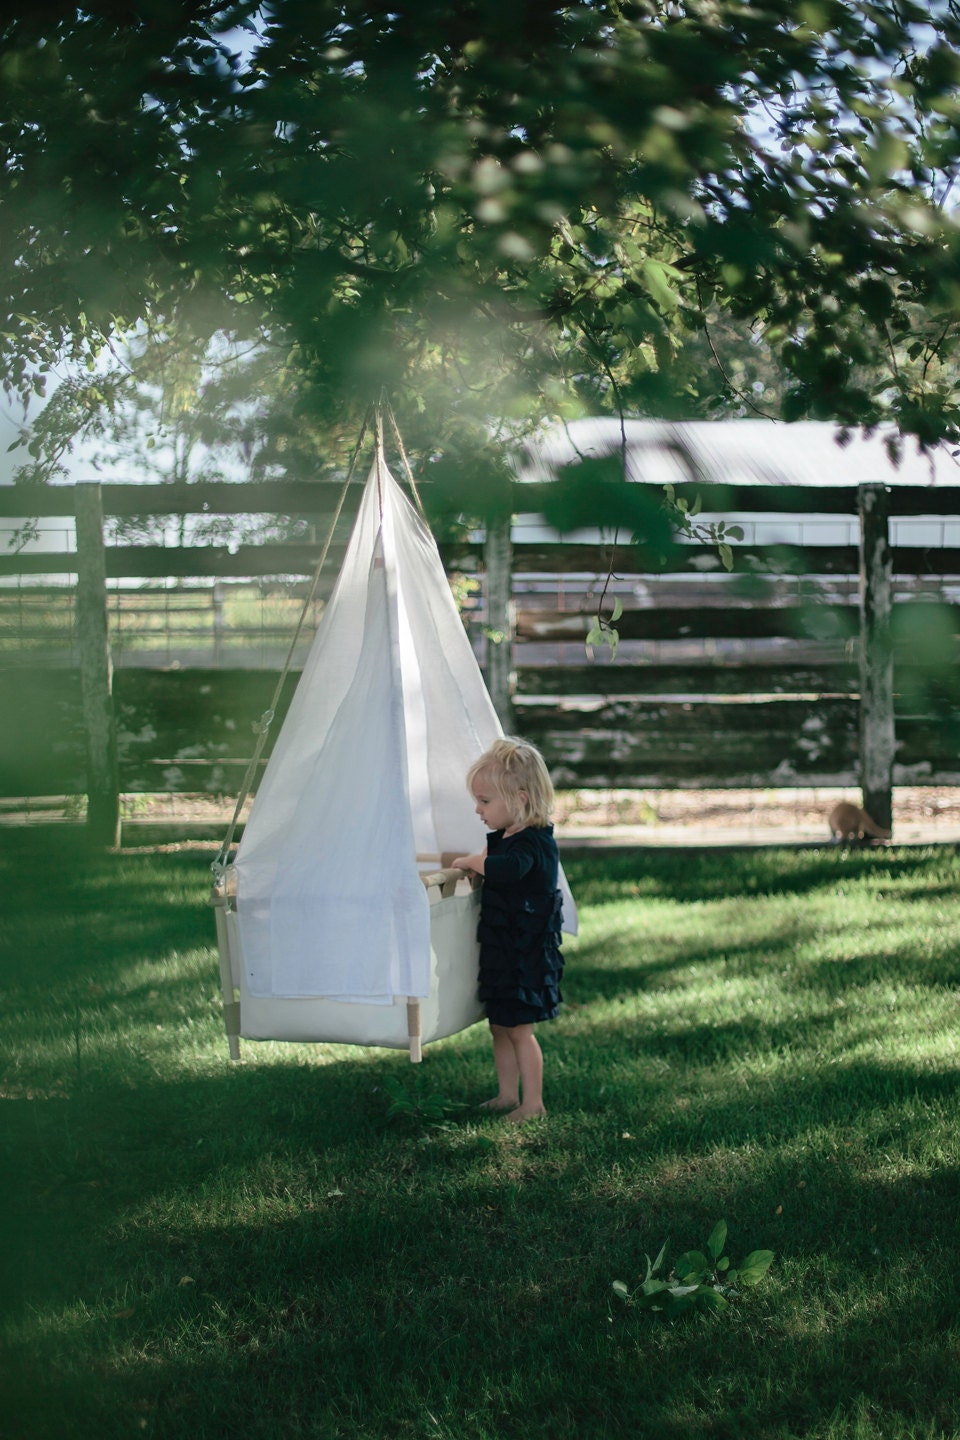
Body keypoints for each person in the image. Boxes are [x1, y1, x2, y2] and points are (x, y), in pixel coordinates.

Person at [451, 737, 563, 1123]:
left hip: (526, 955)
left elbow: (508, 869)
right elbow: (495, 860)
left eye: (485, 801)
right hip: (505, 949)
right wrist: (478, 858)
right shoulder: (506, 839)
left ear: (519, 799)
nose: (478, 809)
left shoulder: (533, 843)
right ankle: (505, 1094)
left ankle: (533, 1103)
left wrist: (471, 861)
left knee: (520, 1031)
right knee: (499, 1026)